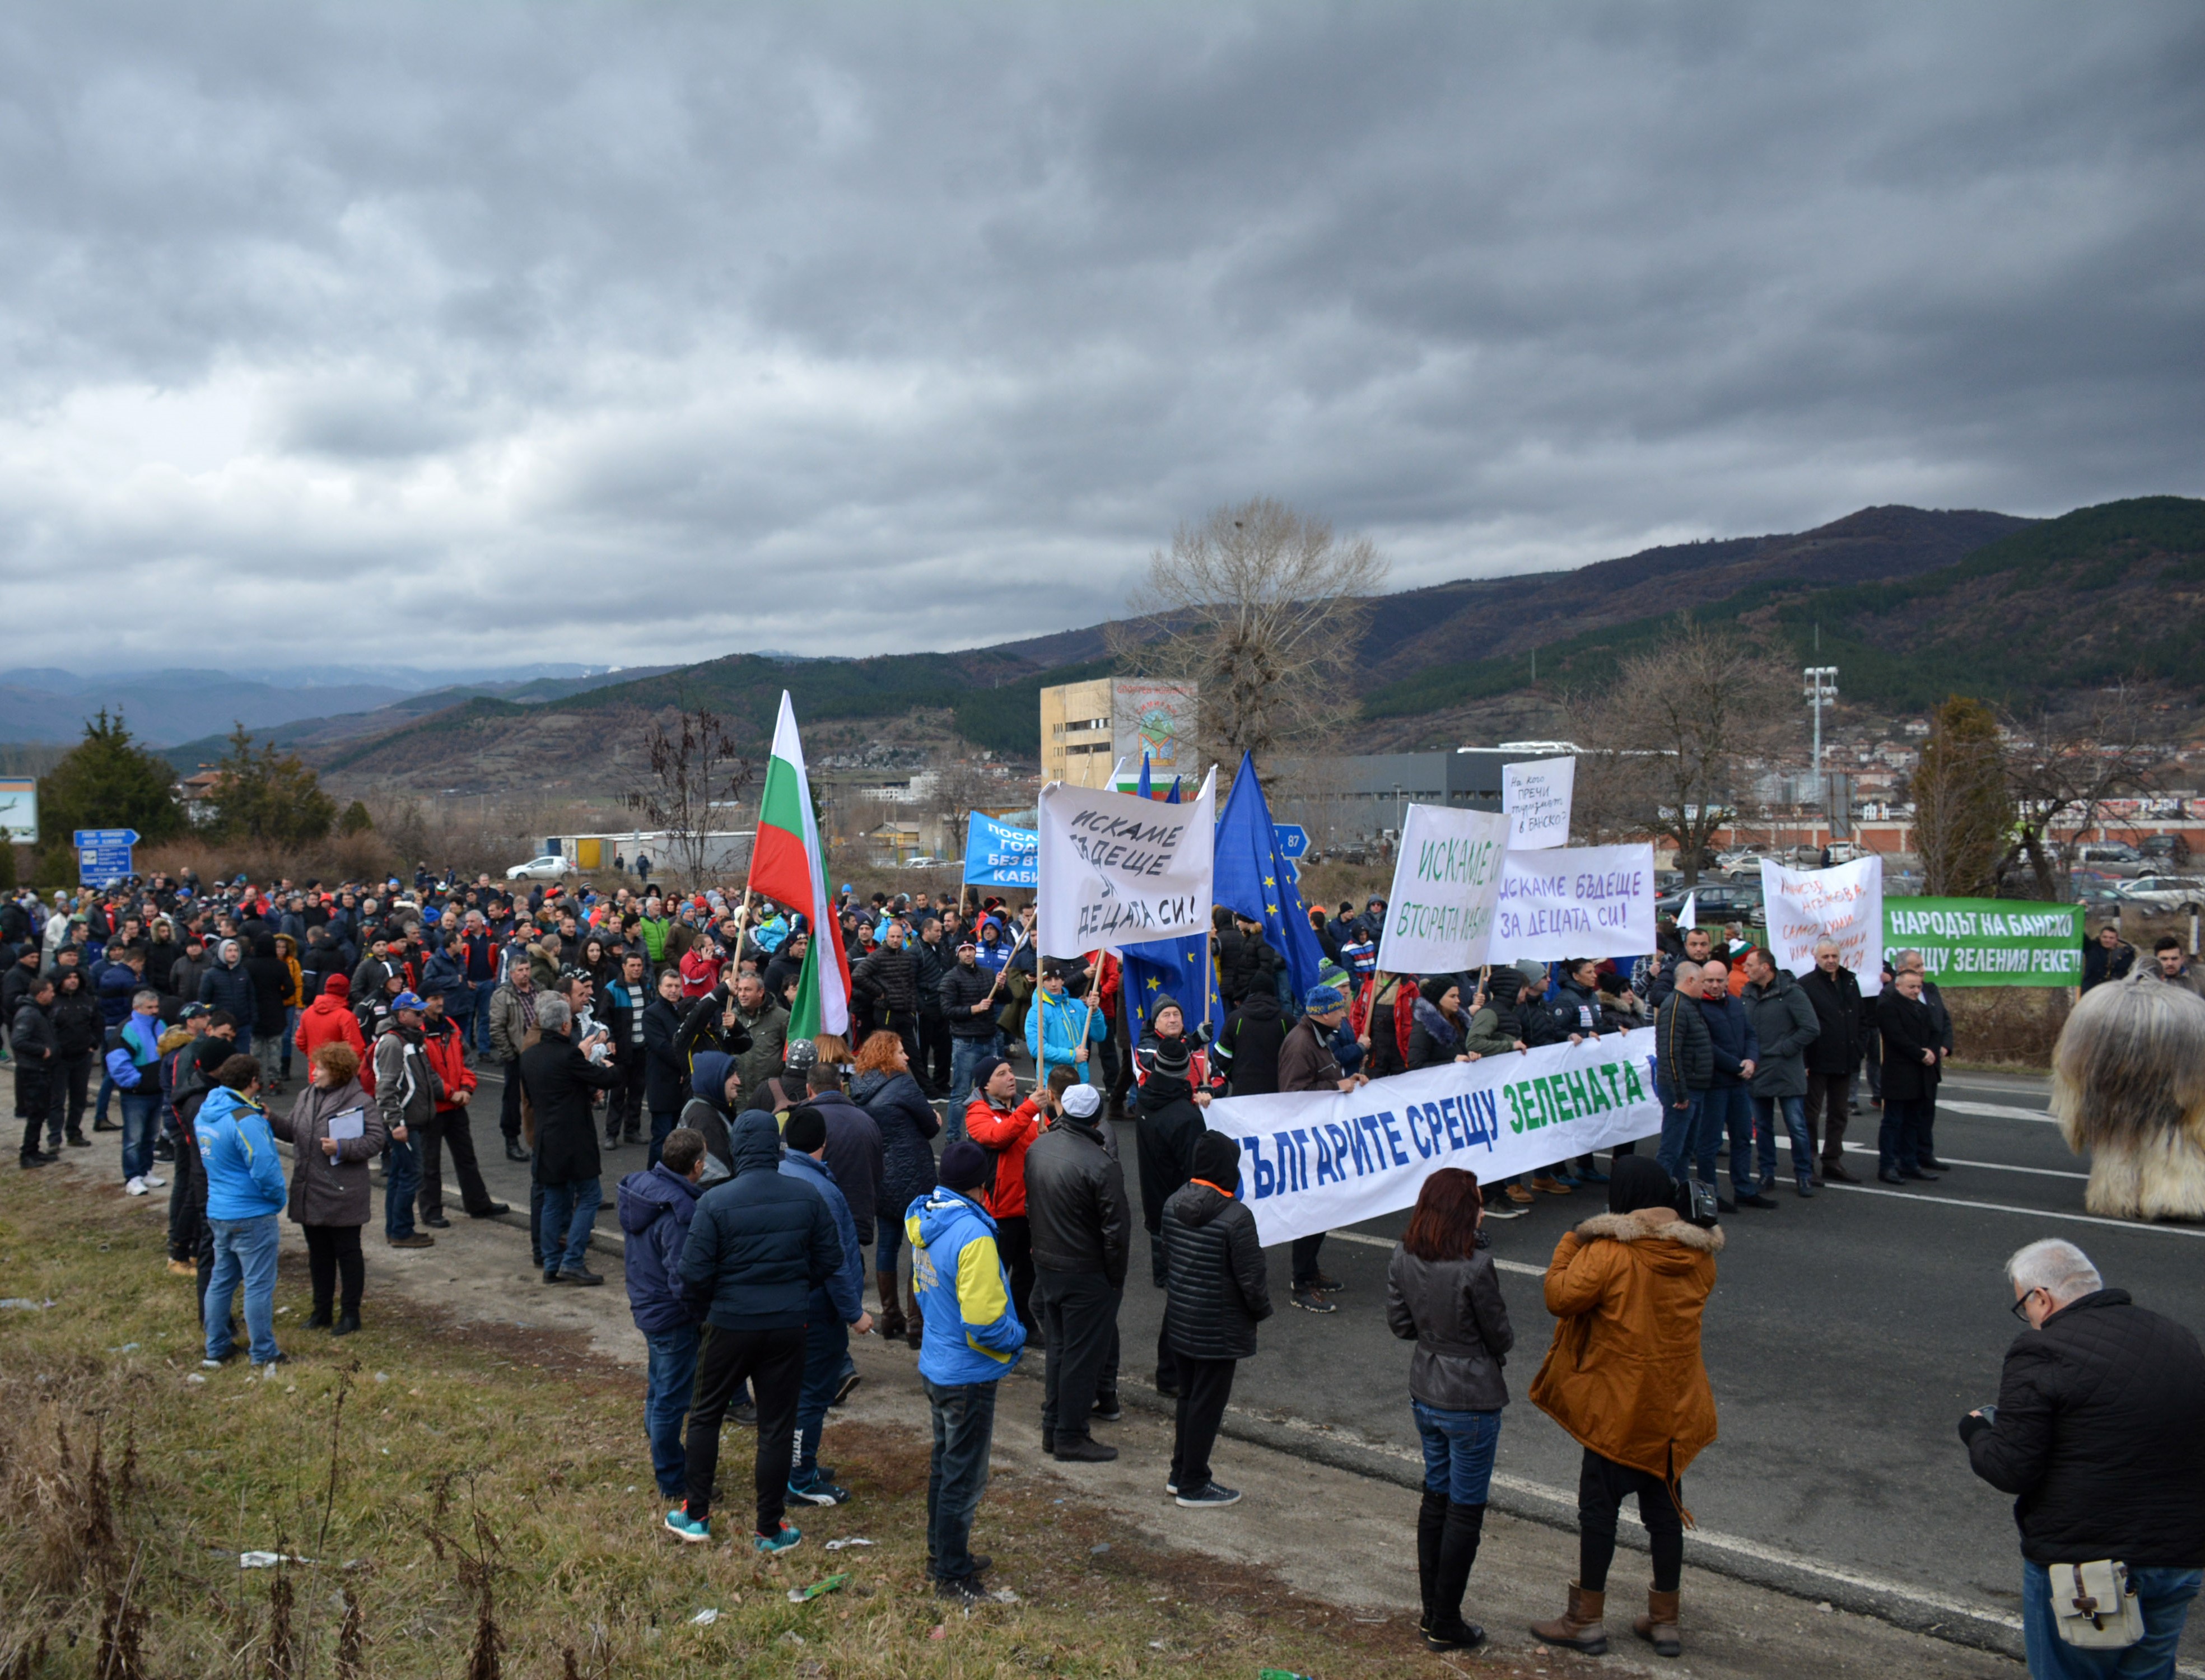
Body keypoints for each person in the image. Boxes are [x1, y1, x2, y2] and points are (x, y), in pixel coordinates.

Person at [1960, 1238, 2205, 1678]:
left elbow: (2010, 1467)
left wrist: (1976, 1431)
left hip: (2085, 1571)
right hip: (2177, 1558)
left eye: (2025, 1307)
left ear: (2041, 1297)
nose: (2030, 1321)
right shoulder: (2177, 1335)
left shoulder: (2042, 1350)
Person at [1527, 1158, 1721, 1659]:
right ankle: (1664, 1622)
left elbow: (1559, 1296)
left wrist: (1574, 1239)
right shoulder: (1699, 1258)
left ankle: (1584, 1620)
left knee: (1598, 1512)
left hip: (1617, 1408)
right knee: (1664, 1513)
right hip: (1672, 1410)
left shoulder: (1610, 1254)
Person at [666, 1110, 844, 1555]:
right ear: (777, 1145)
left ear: (739, 1148)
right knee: (776, 1426)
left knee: (705, 1414)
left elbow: (691, 1273)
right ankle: (769, 1528)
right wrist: (794, 1286)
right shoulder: (806, 1196)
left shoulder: (715, 1201)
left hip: (728, 1322)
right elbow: (831, 1259)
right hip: (786, 1324)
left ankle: (696, 1514)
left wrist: (715, 1300)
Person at [1387, 1168, 1512, 1653]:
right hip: (1472, 1396)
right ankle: (1446, 1620)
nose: (1482, 1208)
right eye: (1477, 1202)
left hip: (1426, 1386)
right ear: (1464, 1211)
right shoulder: (1476, 1265)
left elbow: (1400, 1324)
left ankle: (1431, 1614)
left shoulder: (1403, 1254)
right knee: (1465, 1508)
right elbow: (1499, 1334)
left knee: (1435, 1497)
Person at [908, 1137, 1027, 1602]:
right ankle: (952, 1574)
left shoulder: (925, 1219)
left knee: (945, 1464)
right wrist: (1016, 1336)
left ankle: (942, 1553)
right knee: (965, 1477)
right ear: (983, 1184)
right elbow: (984, 1321)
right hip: (967, 1372)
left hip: (937, 1362)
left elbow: (925, 1290)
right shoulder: (973, 1235)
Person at [1159, 1128, 1270, 1509]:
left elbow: (1167, 1260)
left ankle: (1180, 1472)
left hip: (1181, 1319)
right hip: (1218, 1327)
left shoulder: (1173, 1202)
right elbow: (1252, 1280)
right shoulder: (1237, 1217)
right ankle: (1193, 1482)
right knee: (1207, 1405)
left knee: (1189, 1398)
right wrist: (1260, 1312)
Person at [1024, 1079, 1131, 1463]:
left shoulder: (1039, 1147)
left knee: (1059, 1349)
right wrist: (1114, 1280)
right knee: (1081, 1357)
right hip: (1085, 1272)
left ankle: (1055, 1428)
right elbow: (1116, 1232)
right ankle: (1070, 1435)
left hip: (1048, 1264)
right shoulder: (1101, 1164)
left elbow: (1030, 1206)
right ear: (1097, 1116)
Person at [779, 1103, 875, 1507]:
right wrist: (854, 1312)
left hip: (789, 1305)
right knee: (812, 1397)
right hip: (818, 1312)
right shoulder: (822, 1191)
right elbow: (835, 1260)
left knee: (792, 1394)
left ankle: (797, 1464)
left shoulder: (782, 1173)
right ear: (823, 1143)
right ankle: (800, 1478)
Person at [267, 1042, 386, 1336]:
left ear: (337, 1072)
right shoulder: (307, 1095)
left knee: (347, 1253)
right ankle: (321, 1311)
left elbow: (376, 1141)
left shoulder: (360, 1101)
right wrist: (270, 1120)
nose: (314, 1072)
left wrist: (343, 1147)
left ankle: (350, 1314)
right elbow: (293, 1132)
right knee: (318, 1254)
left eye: (320, 1068)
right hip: (311, 1191)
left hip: (343, 1192)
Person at [618, 1127, 708, 1506]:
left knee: (659, 1388)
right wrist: (699, 1313)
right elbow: (684, 1276)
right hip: (672, 1316)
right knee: (672, 1399)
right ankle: (673, 1479)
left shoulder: (642, 1189)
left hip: (646, 1303)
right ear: (697, 1166)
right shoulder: (680, 1212)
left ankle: (659, 1445)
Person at [1132, 996, 1217, 1397]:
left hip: (1155, 1191)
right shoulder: (1184, 1117)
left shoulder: (1147, 1103)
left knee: (1157, 1228)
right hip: (1180, 1203)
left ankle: (1162, 1272)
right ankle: (1173, 1373)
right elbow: (1195, 1171)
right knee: (1184, 1295)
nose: (1172, 1018)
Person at [521, 993, 622, 1284]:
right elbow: (606, 1079)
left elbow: (537, 1093)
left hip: (546, 1137)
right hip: (575, 1138)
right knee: (590, 1196)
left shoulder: (529, 1057)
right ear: (565, 1026)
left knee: (553, 1201)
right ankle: (573, 1260)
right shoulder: (569, 1056)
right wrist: (611, 1069)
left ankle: (552, 1262)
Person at [197, 1053, 289, 1370]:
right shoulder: (245, 1119)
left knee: (222, 1280)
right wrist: (278, 1200)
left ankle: (216, 1346)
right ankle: (263, 1352)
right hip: (250, 1213)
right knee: (258, 1284)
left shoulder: (207, 1113)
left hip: (219, 1209)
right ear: (253, 1082)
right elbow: (265, 1169)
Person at [851, 1029, 940, 1350]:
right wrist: (937, 1120)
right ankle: (916, 1325)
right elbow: (930, 1127)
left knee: (888, 1245)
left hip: (881, 1174)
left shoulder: (859, 1086)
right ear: (889, 1054)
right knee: (920, 1249)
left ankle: (891, 1317)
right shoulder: (903, 1084)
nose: (906, 1057)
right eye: (901, 1052)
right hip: (913, 1176)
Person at [964, 1055, 1043, 1335]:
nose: (1011, 1077)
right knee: (994, 1278)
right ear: (986, 1084)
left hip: (1030, 1208)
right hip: (998, 1213)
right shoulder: (977, 1112)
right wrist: (1031, 1108)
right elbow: (999, 1137)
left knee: (1027, 1275)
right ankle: (991, 1328)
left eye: (1011, 1071)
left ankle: (1025, 1322)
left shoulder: (1027, 1108)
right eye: (1002, 1073)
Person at [418, 992, 506, 1225]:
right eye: (433, 998)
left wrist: (467, 1088)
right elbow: (425, 1074)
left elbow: (467, 1059)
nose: (439, 1002)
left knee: (467, 1158)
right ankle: (432, 1212)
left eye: (440, 998)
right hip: (434, 1108)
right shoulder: (420, 1033)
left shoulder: (451, 1026)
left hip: (456, 1105)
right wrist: (451, 1093)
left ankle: (478, 1204)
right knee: (430, 1164)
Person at [1741, 947, 1822, 1198]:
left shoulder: (1792, 993)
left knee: (1797, 1126)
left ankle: (1804, 1174)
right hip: (1758, 1070)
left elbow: (1810, 1028)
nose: (1745, 968)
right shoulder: (1747, 994)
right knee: (1763, 1126)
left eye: (1750, 965)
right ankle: (1767, 1173)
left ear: (1765, 968)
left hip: (1786, 1070)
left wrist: (1785, 1049)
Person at [372, 992, 439, 1249]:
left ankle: (398, 1229)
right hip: (404, 1123)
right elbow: (386, 1086)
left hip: (410, 1120)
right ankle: (401, 1231)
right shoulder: (393, 1043)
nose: (423, 1016)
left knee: (401, 1175)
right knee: (410, 1175)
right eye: (418, 1013)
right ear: (402, 1015)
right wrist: (396, 1123)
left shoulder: (410, 1039)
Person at [1695, 959, 1761, 1211]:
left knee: (1743, 1137)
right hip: (1715, 1085)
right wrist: (1738, 1066)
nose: (1715, 985)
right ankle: (1709, 1195)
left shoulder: (1735, 1003)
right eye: (1710, 980)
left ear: (1727, 980)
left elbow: (1750, 1035)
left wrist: (1752, 1060)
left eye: (1720, 980)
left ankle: (1744, 1188)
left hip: (1738, 1084)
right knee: (1710, 1143)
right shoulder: (1698, 1008)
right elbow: (1707, 1047)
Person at [1799, 938, 1864, 1183]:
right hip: (1817, 1060)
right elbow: (1801, 1023)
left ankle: (1832, 1160)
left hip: (1845, 1059)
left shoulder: (1849, 981)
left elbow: (1861, 1017)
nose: (1831, 961)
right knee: (1811, 1115)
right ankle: (1808, 1162)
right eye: (1826, 957)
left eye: (1834, 956)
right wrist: (1804, 1060)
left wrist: (1858, 1047)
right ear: (1816, 958)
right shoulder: (1807, 985)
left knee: (1839, 1113)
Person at [1877, 968, 1942, 1185]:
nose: (1916, 991)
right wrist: (1921, 1054)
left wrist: (1932, 1051)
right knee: (1893, 1122)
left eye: (1918, 987)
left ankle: (1910, 1163)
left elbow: (1936, 1032)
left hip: (1920, 1074)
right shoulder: (1888, 1008)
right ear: (1898, 986)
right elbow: (1897, 1037)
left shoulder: (1922, 1009)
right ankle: (1887, 1166)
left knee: (1914, 1122)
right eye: (1911, 987)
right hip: (1898, 1074)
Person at [1652, 961, 1711, 1183]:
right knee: (1672, 1148)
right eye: (1703, 981)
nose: (1705, 987)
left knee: (1686, 1148)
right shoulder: (1675, 1006)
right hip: (1683, 1089)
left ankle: (1678, 1190)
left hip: (1693, 1086)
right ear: (1690, 981)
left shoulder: (1688, 1005)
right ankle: (1657, 1193)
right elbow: (1669, 1051)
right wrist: (1680, 1092)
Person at [487, 957, 540, 1163]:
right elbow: (497, 1028)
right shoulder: (503, 996)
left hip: (539, 1054)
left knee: (537, 1099)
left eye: (527, 968)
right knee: (512, 1100)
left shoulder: (539, 989)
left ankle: (537, 1139)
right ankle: (512, 1141)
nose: (525, 973)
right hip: (518, 1056)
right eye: (521, 970)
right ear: (512, 974)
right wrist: (509, 1055)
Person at [13, 976, 56, 1169]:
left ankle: (34, 1149)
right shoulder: (28, 1014)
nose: (53, 995)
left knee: (40, 1113)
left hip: (41, 1070)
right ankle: (27, 1154)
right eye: (51, 991)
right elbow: (18, 1041)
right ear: (41, 994)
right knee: (35, 1113)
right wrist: (42, 1051)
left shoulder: (39, 1012)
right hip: (32, 1071)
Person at [2080, 923, 2134, 992]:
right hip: (2091, 991)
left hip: (2115, 992)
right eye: (2105, 937)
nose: (2108, 940)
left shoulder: (2126, 953)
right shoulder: (2092, 948)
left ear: (2116, 940)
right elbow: (2080, 934)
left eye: (2111, 938)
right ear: (2100, 937)